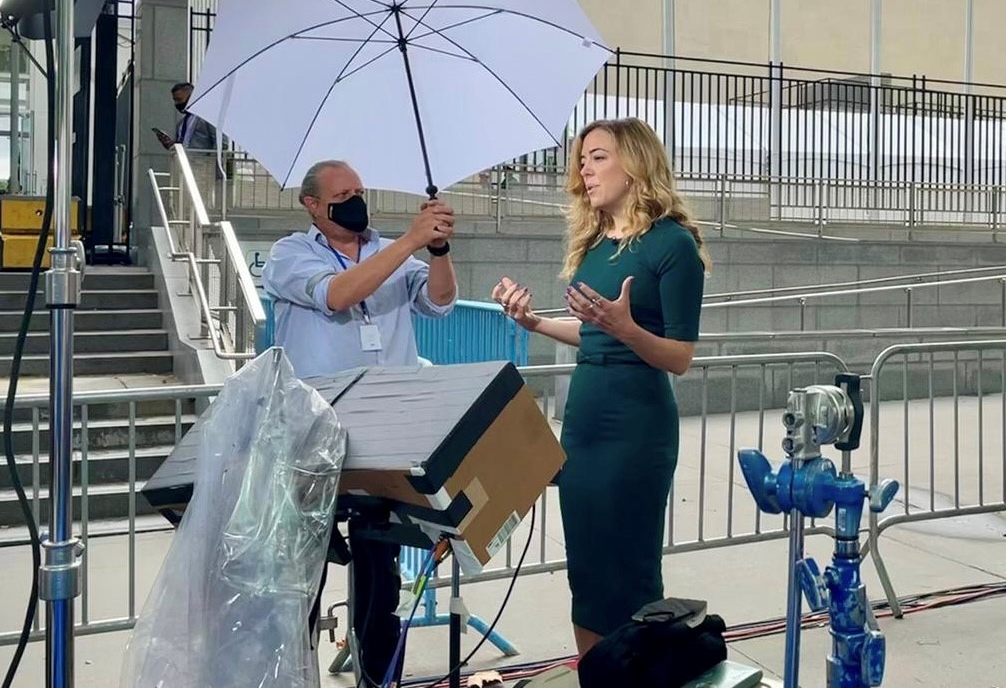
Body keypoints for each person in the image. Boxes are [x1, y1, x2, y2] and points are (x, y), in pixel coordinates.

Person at [492, 118, 709, 658]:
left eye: (598, 157)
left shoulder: (672, 245)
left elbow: (680, 356)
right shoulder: (594, 245)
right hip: (584, 428)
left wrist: (627, 329)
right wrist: (534, 323)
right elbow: (594, 333)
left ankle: (634, 671)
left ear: (635, 164)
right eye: (582, 160)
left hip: (635, 428)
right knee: (587, 577)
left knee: (628, 575)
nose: (584, 170)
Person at [261, 159, 457, 686]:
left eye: (359, 190)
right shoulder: (290, 255)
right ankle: (293, 675)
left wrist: (436, 249)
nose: (356, 199)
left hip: (386, 431)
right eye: (343, 193)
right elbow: (336, 295)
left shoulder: (387, 245)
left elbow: (439, 301)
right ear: (312, 205)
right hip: (313, 435)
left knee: (380, 571)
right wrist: (411, 241)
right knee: (302, 572)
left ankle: (379, 675)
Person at [154, 82, 217, 152]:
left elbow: (220, 143)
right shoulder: (181, 123)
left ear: (191, 97)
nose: (177, 103)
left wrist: (213, 161)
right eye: (175, 100)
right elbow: (182, 145)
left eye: (179, 99)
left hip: (202, 161)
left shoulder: (207, 117)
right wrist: (169, 144)